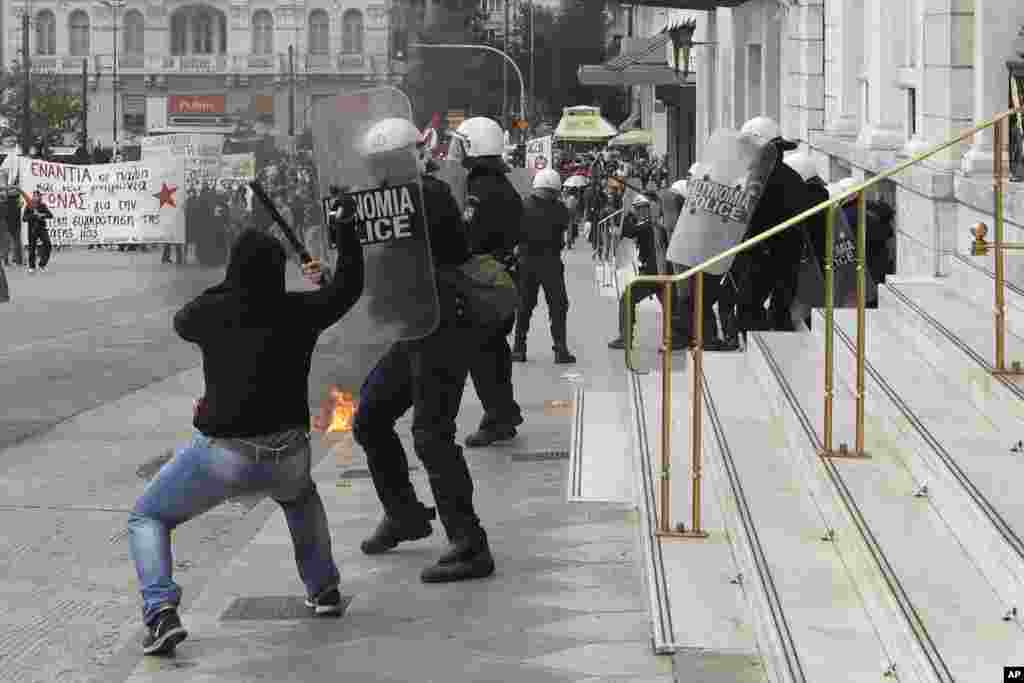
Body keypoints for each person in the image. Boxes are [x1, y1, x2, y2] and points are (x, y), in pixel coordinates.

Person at [126, 210, 365, 655]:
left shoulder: (213, 311)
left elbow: (184, 318)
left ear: (234, 269)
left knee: (148, 517)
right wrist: (344, 239)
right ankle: (324, 589)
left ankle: (161, 613)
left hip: (226, 455)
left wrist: (232, 285)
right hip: (290, 450)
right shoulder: (302, 310)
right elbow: (347, 290)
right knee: (300, 498)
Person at [352, 117, 497, 583]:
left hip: (446, 326)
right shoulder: (375, 203)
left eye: (383, 163)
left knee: (432, 435)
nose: (376, 172)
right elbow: (369, 265)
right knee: (371, 417)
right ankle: (405, 514)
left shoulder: (429, 196)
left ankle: (470, 543)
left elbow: (445, 249)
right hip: (413, 329)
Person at [450, 117, 524, 449]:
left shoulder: (479, 191)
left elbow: (467, 238)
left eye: (459, 144)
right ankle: (505, 413)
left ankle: (497, 418)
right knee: (494, 352)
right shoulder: (500, 185)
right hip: (503, 281)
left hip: (485, 286)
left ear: (472, 147)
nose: (453, 150)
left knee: (483, 355)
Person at [734, 117, 813, 333]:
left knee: (749, 307)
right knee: (778, 309)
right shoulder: (791, 177)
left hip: (765, 252)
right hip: (781, 254)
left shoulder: (764, 178)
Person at [511, 169, 577, 364]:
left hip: (526, 262)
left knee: (524, 306)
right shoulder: (559, 209)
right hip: (551, 263)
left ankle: (518, 348)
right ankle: (560, 349)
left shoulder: (522, 205)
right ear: (555, 189)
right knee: (558, 306)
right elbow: (566, 226)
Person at [608, 194, 690, 350]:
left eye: (642, 208)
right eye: (637, 209)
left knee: (627, 298)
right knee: (670, 306)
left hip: (655, 272)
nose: (639, 212)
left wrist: (628, 214)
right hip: (664, 272)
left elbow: (628, 232)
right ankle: (677, 338)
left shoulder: (650, 225)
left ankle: (626, 338)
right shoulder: (661, 224)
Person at [24, 191, 53, 273]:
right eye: (34, 196)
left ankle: (42, 264)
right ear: (32, 197)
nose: (36, 197)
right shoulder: (29, 206)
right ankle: (32, 266)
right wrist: (34, 215)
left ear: (40, 197)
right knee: (32, 248)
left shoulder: (42, 206)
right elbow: (24, 218)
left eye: (37, 196)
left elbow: (50, 215)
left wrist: (42, 215)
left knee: (48, 244)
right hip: (32, 230)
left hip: (42, 229)